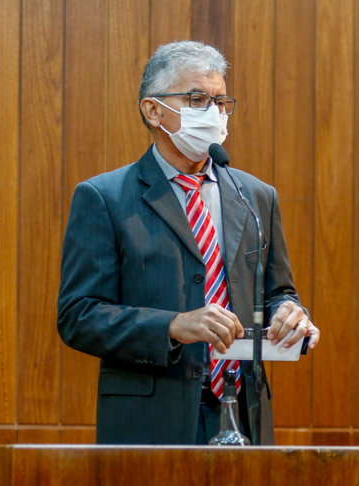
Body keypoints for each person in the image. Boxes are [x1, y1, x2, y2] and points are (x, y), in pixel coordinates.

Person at [57, 41, 319, 444]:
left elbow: (276, 292)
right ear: (153, 110)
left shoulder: (255, 196)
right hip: (150, 418)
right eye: (197, 99)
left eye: (220, 101)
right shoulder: (104, 197)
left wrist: (290, 312)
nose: (213, 114)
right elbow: (79, 316)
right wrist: (174, 326)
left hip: (243, 413)